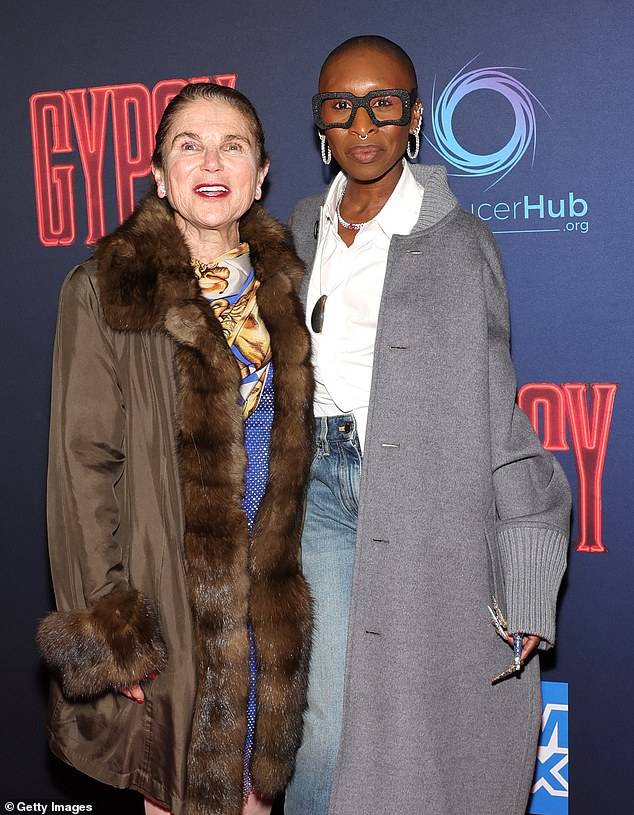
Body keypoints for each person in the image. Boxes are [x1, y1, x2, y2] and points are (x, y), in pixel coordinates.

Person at [283, 36, 571, 815]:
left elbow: (496, 412)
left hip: (422, 497)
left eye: (384, 103)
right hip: (314, 491)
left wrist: (528, 567)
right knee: (323, 723)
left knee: (416, 729)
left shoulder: (461, 242)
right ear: (321, 123)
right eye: (341, 106)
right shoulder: (298, 232)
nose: (363, 123)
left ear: (413, 118)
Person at [36, 82, 314, 815]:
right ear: (159, 176)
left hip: (268, 620)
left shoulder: (297, 294)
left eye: (234, 145)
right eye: (188, 144)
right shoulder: (107, 289)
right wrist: (112, 628)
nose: (211, 160)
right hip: (169, 617)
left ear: (261, 175)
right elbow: (82, 471)